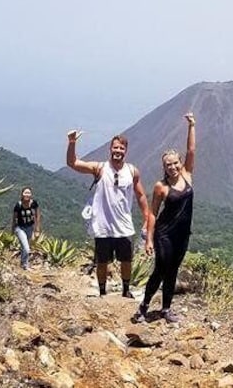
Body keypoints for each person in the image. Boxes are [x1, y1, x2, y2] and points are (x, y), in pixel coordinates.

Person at [66, 131, 151, 298]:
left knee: (126, 260)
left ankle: (126, 290)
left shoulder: (132, 171)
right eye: (115, 147)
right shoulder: (100, 168)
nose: (117, 150)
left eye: (121, 148)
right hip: (102, 225)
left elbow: (140, 194)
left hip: (124, 225)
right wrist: (72, 143)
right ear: (110, 149)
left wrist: (147, 217)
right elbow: (73, 163)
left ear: (125, 150)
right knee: (102, 262)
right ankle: (102, 291)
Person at [135, 113, 196, 323]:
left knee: (173, 271)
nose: (172, 167)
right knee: (161, 270)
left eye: (175, 163)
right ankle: (143, 306)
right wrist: (149, 239)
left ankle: (166, 309)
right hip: (164, 235)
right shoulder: (161, 187)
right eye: (168, 164)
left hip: (182, 236)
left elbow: (191, 150)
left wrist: (191, 126)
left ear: (180, 163)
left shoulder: (187, 175)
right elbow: (152, 213)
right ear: (164, 167)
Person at [11, 187, 40, 270]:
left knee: (25, 247)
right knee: (27, 248)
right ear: (22, 194)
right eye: (25, 193)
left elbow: (38, 216)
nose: (27, 194)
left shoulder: (34, 203)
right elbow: (14, 218)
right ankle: (25, 265)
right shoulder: (18, 205)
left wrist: (37, 229)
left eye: (28, 193)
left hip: (30, 227)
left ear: (31, 194)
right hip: (20, 228)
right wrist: (12, 229)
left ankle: (23, 263)